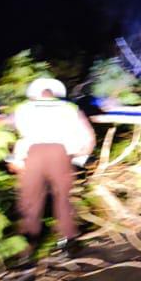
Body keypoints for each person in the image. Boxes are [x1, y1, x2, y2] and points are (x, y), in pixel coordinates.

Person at [8, 78, 96, 257]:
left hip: (33, 154)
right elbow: (87, 136)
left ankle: (26, 248)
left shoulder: (24, 108)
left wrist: (16, 159)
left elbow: (21, 135)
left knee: (30, 200)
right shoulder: (69, 108)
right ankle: (67, 242)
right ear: (55, 93)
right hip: (60, 153)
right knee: (62, 198)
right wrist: (81, 156)